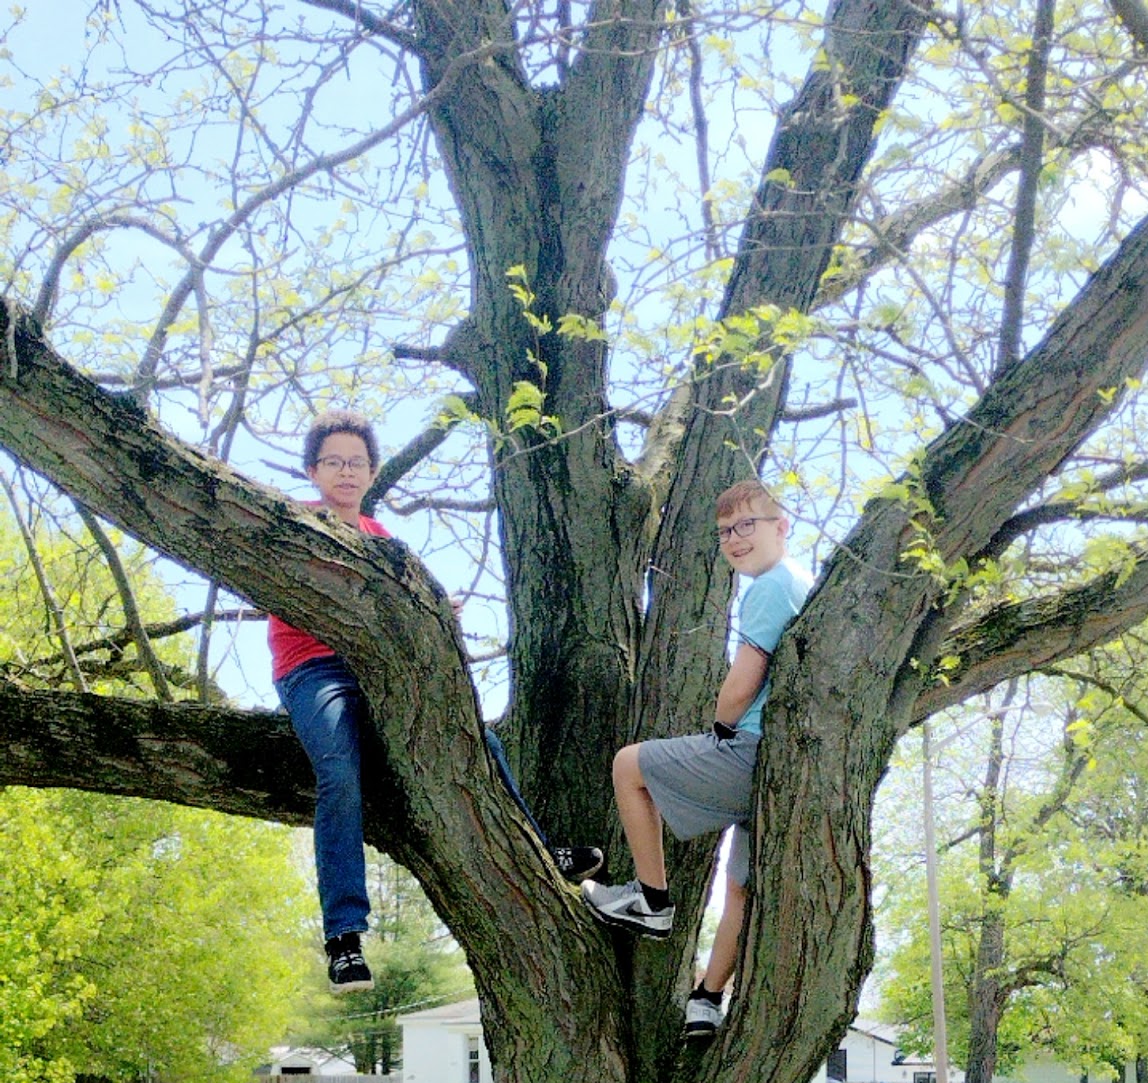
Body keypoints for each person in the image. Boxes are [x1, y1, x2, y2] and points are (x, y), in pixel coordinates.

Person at [270, 409, 603, 992]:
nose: (346, 472)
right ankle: (344, 937)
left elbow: (416, 609)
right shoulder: (290, 522)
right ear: (313, 470)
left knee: (479, 739)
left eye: (356, 463)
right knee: (340, 773)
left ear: (371, 473)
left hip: (380, 671)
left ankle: (544, 854)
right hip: (313, 670)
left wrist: (435, 611)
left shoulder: (385, 541)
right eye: (333, 462)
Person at [581, 480, 811, 1039]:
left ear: (782, 527)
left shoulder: (770, 587)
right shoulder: (800, 581)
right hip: (785, 770)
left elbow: (743, 680)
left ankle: (651, 900)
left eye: (747, 526)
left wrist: (721, 726)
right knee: (740, 888)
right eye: (725, 532)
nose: (735, 539)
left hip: (749, 753)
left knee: (628, 765)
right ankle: (708, 999)